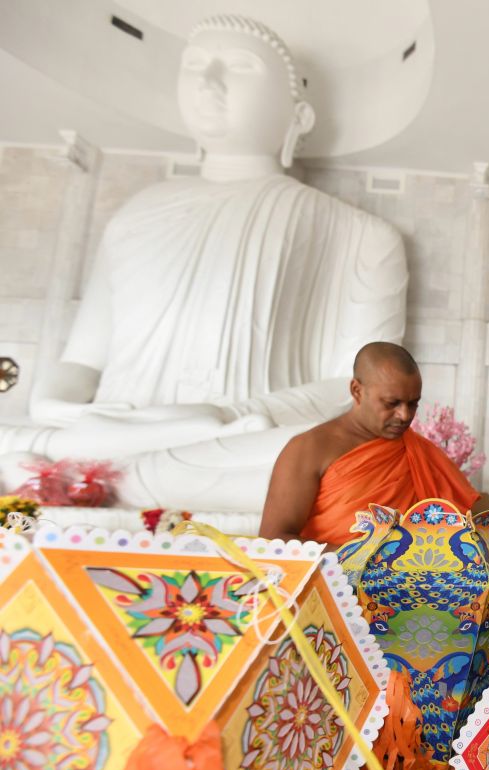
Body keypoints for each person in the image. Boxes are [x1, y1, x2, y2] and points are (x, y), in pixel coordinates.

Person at [0, 14, 409, 511]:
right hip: (103, 437)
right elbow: (81, 361)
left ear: (298, 119)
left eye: (238, 67)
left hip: (235, 441)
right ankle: (96, 471)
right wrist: (54, 407)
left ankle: (96, 478)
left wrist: (226, 414)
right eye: (194, 65)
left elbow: (350, 394)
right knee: (11, 446)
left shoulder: (363, 234)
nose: (208, 81)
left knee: (360, 465)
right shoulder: (135, 214)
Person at [260, 343, 478, 547]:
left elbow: (468, 524)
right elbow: (274, 539)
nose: (404, 415)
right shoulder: (308, 449)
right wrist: (363, 562)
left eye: (413, 404)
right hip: (334, 583)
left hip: (414, 583)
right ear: (357, 390)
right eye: (391, 403)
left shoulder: (420, 452)